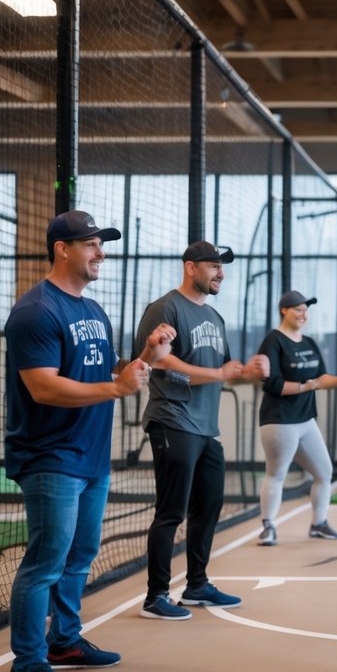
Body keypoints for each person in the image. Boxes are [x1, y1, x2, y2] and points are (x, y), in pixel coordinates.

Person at [3, 211, 175, 672]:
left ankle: (63, 641)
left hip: (91, 456)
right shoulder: (36, 311)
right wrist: (118, 385)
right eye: (91, 245)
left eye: (101, 245)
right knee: (45, 562)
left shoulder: (93, 311)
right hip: (50, 456)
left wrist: (148, 355)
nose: (101, 253)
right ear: (62, 248)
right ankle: (26, 669)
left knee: (80, 556)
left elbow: (114, 371)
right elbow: (41, 387)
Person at [134, 241, 269, 621]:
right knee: (170, 511)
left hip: (205, 427)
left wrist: (251, 374)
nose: (220, 273)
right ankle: (156, 596)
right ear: (190, 267)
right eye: (213, 266)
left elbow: (227, 373)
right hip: (172, 419)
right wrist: (219, 373)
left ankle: (196, 585)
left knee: (208, 505)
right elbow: (157, 362)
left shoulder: (215, 318)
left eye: (222, 268)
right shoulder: (165, 308)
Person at [255, 289, 337, 546]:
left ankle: (318, 524)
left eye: (306, 310)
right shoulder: (273, 341)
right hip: (279, 419)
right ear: (284, 311)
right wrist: (305, 387)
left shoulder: (309, 343)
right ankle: (268, 526)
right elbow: (272, 384)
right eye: (297, 309)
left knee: (324, 472)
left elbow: (321, 378)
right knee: (276, 473)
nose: (303, 314)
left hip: (305, 419)